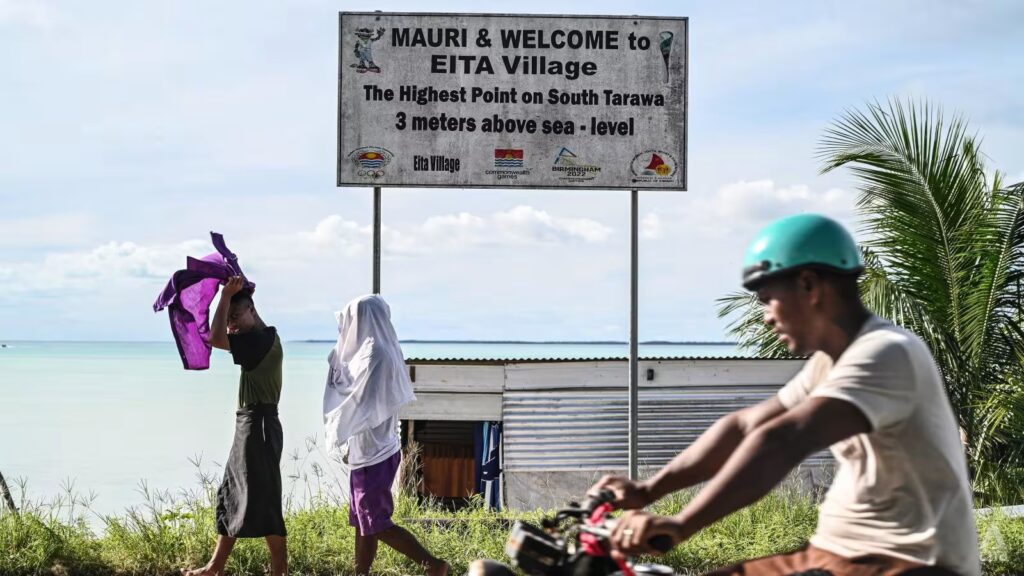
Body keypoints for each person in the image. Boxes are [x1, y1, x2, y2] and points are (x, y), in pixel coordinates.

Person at [591, 214, 980, 575]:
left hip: (906, 562)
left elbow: (783, 440)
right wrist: (647, 490)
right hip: (836, 552)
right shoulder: (830, 363)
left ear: (809, 286)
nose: (766, 316)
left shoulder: (887, 352)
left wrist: (681, 525)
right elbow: (745, 426)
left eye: (767, 299)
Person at [324, 294, 449, 576]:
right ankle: (362, 573)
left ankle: (434, 565)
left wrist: (337, 370)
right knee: (364, 522)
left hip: (373, 453)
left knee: (376, 521)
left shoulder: (374, 355)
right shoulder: (379, 351)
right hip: (372, 450)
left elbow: (355, 400)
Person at [182, 276, 287, 576]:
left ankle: (280, 569)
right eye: (230, 321)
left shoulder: (259, 341)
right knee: (232, 491)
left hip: (259, 426)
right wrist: (236, 295)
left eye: (236, 317)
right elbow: (224, 332)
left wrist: (225, 295)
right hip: (250, 424)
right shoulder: (267, 334)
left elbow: (214, 339)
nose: (232, 325)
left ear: (252, 311)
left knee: (265, 498)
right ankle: (215, 566)